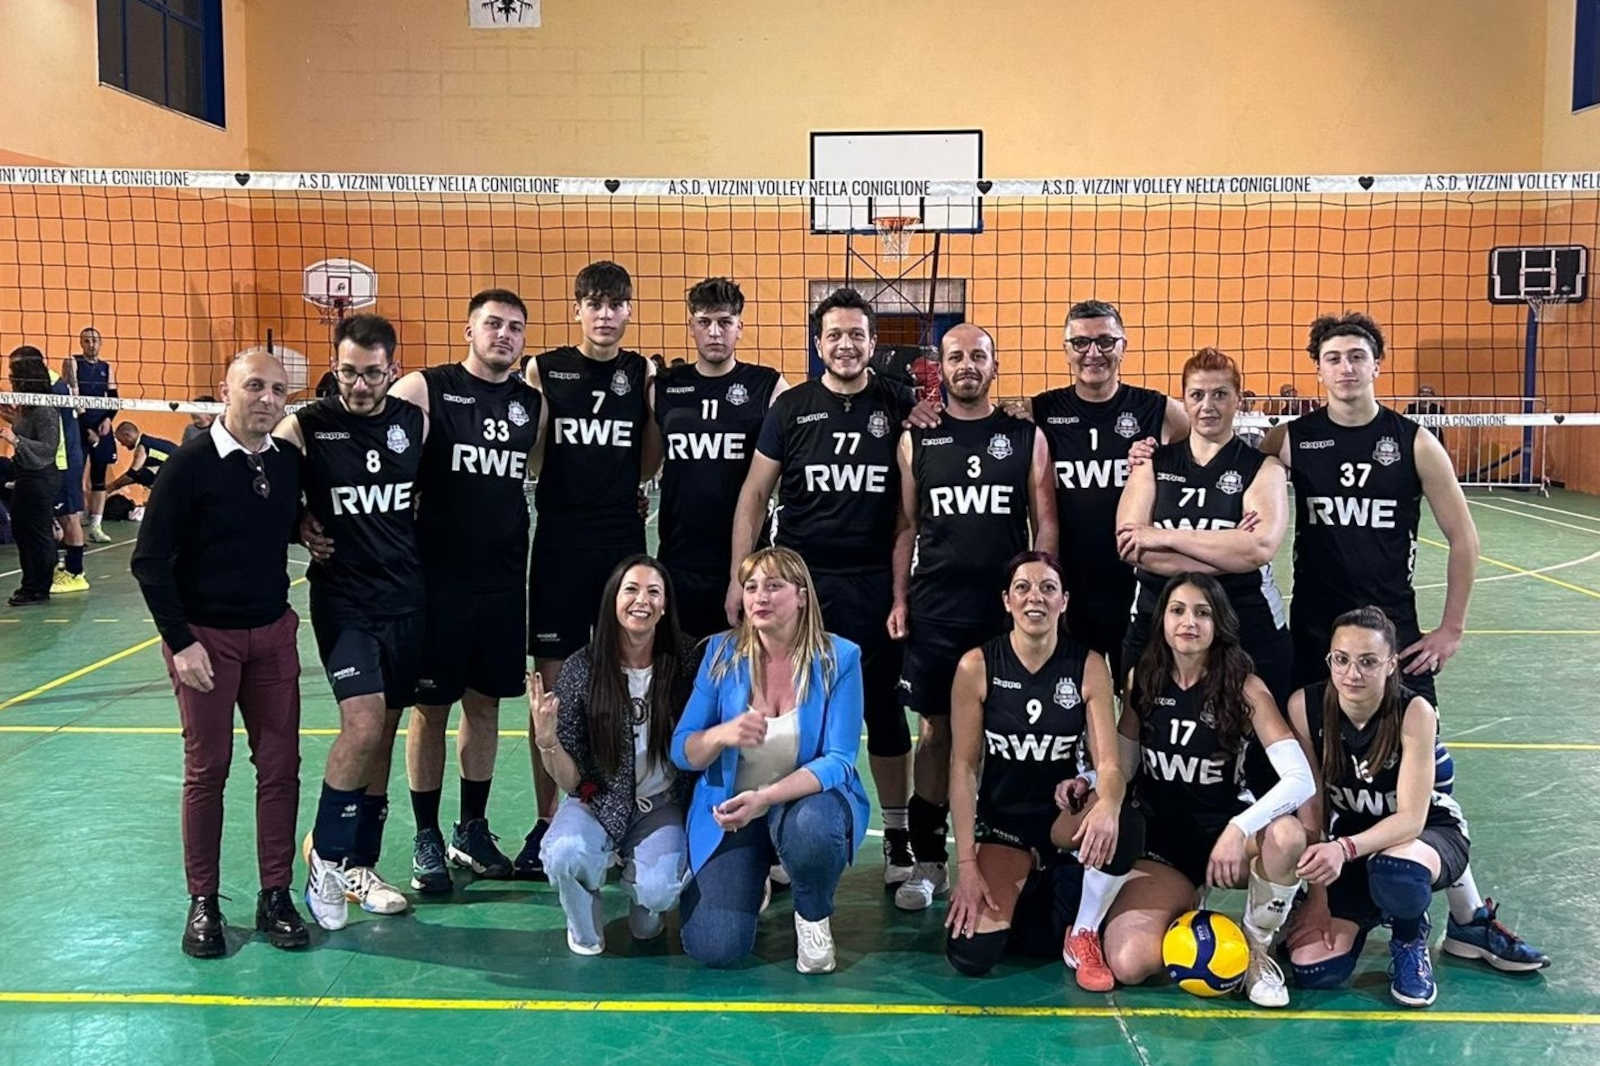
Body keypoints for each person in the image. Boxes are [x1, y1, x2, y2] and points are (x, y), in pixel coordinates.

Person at [1261, 312, 1547, 971]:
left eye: (1358, 355)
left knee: (1423, 777)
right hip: (1317, 642)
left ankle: (1470, 919)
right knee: (1318, 774)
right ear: (1319, 367)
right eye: (1333, 357)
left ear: (1376, 364)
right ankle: (1316, 897)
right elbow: (1225, 468)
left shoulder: (1413, 441)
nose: (1346, 367)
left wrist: (1451, 628)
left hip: (1394, 646)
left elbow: (1465, 539)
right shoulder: (1293, 440)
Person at [728, 288, 924, 887]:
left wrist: (900, 592)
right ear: (818, 344)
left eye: (857, 335)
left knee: (887, 714)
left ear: (871, 343)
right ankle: (787, 828)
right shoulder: (791, 409)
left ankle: (897, 838)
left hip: (871, 584)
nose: (846, 344)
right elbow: (754, 496)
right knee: (792, 710)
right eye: (834, 335)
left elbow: (908, 512)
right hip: (799, 590)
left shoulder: (897, 403)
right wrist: (742, 580)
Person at [130, 350, 309, 957]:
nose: (266, 399)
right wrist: (181, 643)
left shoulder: (286, 464)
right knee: (208, 772)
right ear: (224, 392)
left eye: (279, 391)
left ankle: (275, 894)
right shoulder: (188, 465)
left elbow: (281, 523)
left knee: (280, 769)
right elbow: (148, 561)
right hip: (207, 641)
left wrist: (311, 531)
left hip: (273, 634)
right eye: (254, 386)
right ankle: (203, 901)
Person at [887, 323, 1056, 912]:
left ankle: (1010, 847)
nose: (966, 365)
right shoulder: (916, 440)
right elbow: (907, 526)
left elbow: (1046, 523)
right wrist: (901, 599)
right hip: (937, 612)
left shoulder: (1024, 435)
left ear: (994, 364)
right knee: (936, 735)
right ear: (940, 367)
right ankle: (929, 859)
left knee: (1011, 737)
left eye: (977, 355)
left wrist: (1043, 591)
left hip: (1005, 616)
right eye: (955, 356)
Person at [387, 289, 546, 893]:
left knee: (486, 705)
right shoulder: (426, 390)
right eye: (492, 325)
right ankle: (426, 833)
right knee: (430, 710)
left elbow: (539, 470)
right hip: (437, 582)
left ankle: (471, 828)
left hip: (504, 581)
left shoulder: (532, 404)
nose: (503, 335)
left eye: (514, 327)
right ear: (468, 330)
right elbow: (370, 444)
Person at [273, 313, 427, 931]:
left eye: (370, 374)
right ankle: (327, 861)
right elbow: (256, 484)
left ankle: (360, 863)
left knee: (385, 733)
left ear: (393, 368)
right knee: (361, 726)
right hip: (345, 603)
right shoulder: (306, 427)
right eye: (346, 373)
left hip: (407, 599)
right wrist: (295, 524)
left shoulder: (414, 422)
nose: (358, 386)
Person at [1100, 574, 1313, 1007]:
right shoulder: (1144, 677)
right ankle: (1185, 900)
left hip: (1226, 836)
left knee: (1288, 836)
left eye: (1202, 612)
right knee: (1128, 963)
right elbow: (1122, 766)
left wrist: (1239, 829)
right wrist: (1092, 788)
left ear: (1220, 624)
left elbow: (1300, 779)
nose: (1189, 622)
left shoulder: (1244, 685)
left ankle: (1256, 950)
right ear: (1162, 620)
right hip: (1163, 847)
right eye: (1177, 610)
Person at [517, 260, 661, 878]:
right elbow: (533, 448)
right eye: (594, 304)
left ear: (629, 311)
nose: (605, 315)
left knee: (633, 677)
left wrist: (634, 483)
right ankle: (549, 819)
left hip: (620, 546)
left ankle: (634, 809)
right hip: (558, 545)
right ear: (576, 309)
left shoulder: (642, 371)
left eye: (616, 304)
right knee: (551, 691)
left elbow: (651, 450)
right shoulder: (544, 369)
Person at [943, 552, 1140, 990]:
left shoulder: (1088, 665)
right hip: (1003, 828)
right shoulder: (977, 665)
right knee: (972, 954)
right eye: (1023, 588)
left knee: (1124, 820)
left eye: (1048, 588)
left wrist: (1107, 803)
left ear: (1064, 601)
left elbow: (1109, 764)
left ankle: (1082, 928)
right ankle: (1039, 891)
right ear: (1007, 601)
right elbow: (962, 769)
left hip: (1060, 824)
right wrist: (967, 865)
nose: (1036, 598)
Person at [673, 547, 871, 973]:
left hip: (802, 805)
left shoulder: (840, 658)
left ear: (801, 596)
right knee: (715, 947)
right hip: (733, 811)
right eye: (751, 587)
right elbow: (682, 749)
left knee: (813, 828)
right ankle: (754, 873)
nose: (759, 596)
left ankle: (812, 915)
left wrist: (766, 797)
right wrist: (722, 734)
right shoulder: (720, 655)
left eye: (774, 585)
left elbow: (839, 760)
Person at [1283, 608, 1471, 1007]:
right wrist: (1317, 898)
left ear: (1390, 664)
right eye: (1342, 659)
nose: (1353, 673)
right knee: (1314, 971)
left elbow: (1411, 819)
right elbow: (1312, 805)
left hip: (1424, 836)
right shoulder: (1306, 706)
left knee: (1396, 870)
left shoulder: (1413, 711)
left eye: (1368, 661)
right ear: (1329, 660)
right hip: (1353, 844)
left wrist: (1344, 849)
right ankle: (1367, 911)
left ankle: (1408, 936)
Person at [531, 556, 700, 954]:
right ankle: (582, 917)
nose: (642, 600)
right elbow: (572, 782)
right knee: (564, 853)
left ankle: (642, 891)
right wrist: (547, 741)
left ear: (665, 606)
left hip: (660, 804)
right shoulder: (581, 668)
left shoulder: (687, 663)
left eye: (653, 592)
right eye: (632, 590)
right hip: (597, 799)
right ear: (613, 600)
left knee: (657, 896)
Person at [1116, 348, 1293, 704]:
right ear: (1184, 401)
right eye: (1197, 395)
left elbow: (1258, 549)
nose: (1208, 405)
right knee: (1151, 737)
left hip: (1247, 623)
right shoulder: (1151, 463)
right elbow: (1133, 547)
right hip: (1157, 621)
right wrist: (1228, 551)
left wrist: (1166, 536)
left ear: (1238, 400)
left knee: (1259, 738)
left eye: (1220, 394)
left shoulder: (1264, 468)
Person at [1025, 301, 1187, 681]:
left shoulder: (1158, 409)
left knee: (1144, 699)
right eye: (1080, 343)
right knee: (1073, 699)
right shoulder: (1040, 411)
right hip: (1071, 584)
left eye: (1104, 341)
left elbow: (1210, 451)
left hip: (1140, 584)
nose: (1093, 353)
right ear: (1066, 350)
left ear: (1123, 345)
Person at [653, 278, 786, 639]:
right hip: (679, 559)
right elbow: (640, 459)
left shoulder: (768, 386)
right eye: (705, 322)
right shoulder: (665, 386)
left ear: (739, 327)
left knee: (745, 678)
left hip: (747, 562)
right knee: (681, 680)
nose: (715, 332)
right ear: (691, 326)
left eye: (725, 322)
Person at [1, 348, 63, 606]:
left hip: (41, 476)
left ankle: (39, 588)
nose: (11, 376)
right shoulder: (27, 405)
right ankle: (30, 584)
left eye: (15, 371)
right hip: (26, 474)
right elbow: (27, 430)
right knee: (22, 531)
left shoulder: (46, 408)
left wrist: (15, 439)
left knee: (37, 534)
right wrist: (11, 418)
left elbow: (48, 448)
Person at [61, 326, 117, 543]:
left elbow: (113, 396)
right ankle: (74, 525)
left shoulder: (107, 367)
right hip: (80, 425)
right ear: (80, 343)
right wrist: (87, 428)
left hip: (102, 425)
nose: (90, 344)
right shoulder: (73, 363)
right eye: (86, 340)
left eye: (94, 340)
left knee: (99, 477)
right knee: (74, 475)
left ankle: (96, 525)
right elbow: (73, 397)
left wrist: (108, 419)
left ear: (100, 343)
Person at [45, 361, 89, 593]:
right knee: (63, 516)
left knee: (70, 516)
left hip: (66, 461)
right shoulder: (56, 387)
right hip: (64, 458)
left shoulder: (52, 388)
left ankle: (76, 573)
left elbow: (43, 425)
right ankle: (69, 569)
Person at [106, 421, 177, 491]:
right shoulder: (150, 442)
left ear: (127, 435)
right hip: (178, 471)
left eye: (121, 440)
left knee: (140, 474)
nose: (122, 444)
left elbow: (133, 473)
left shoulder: (143, 446)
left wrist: (112, 486)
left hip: (177, 476)